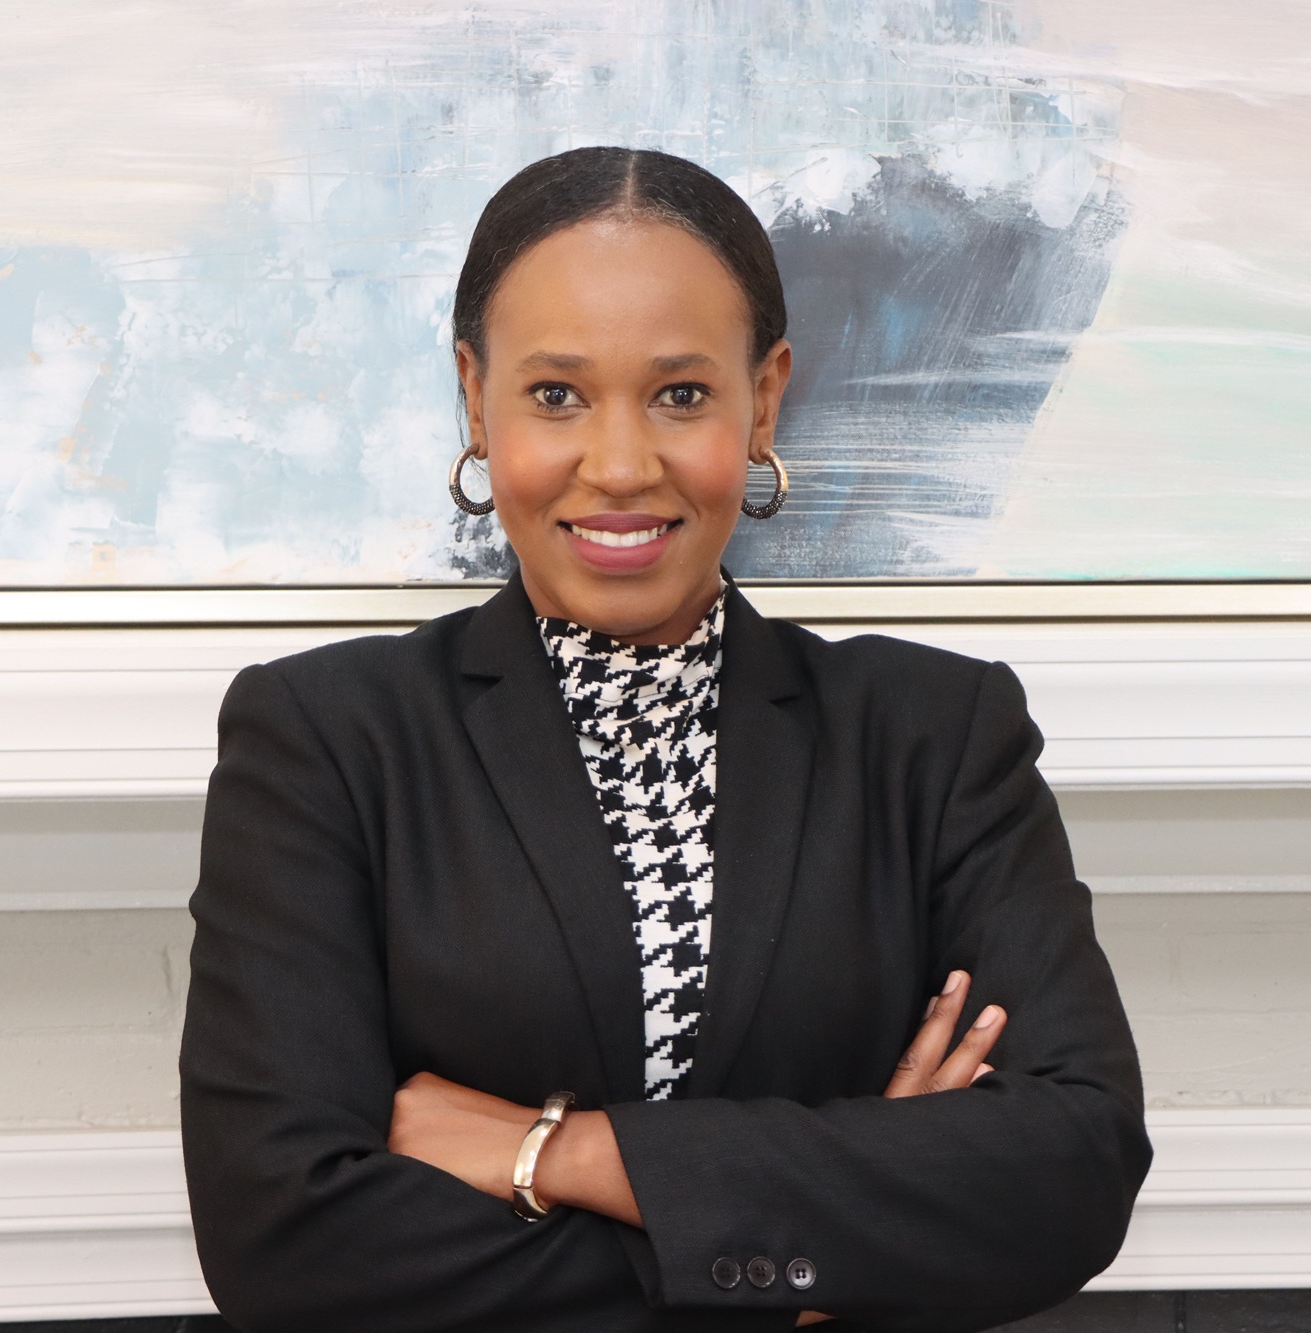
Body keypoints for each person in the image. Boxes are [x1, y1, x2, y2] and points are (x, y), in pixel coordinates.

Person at [180, 146, 1150, 1332]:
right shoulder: (324, 742)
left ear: (765, 398)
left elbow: (1071, 1165)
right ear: (473, 399)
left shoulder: (936, 738)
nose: (620, 465)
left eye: (680, 395)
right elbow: (281, 1241)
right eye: (555, 395)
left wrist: (551, 1152)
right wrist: (811, 1253)